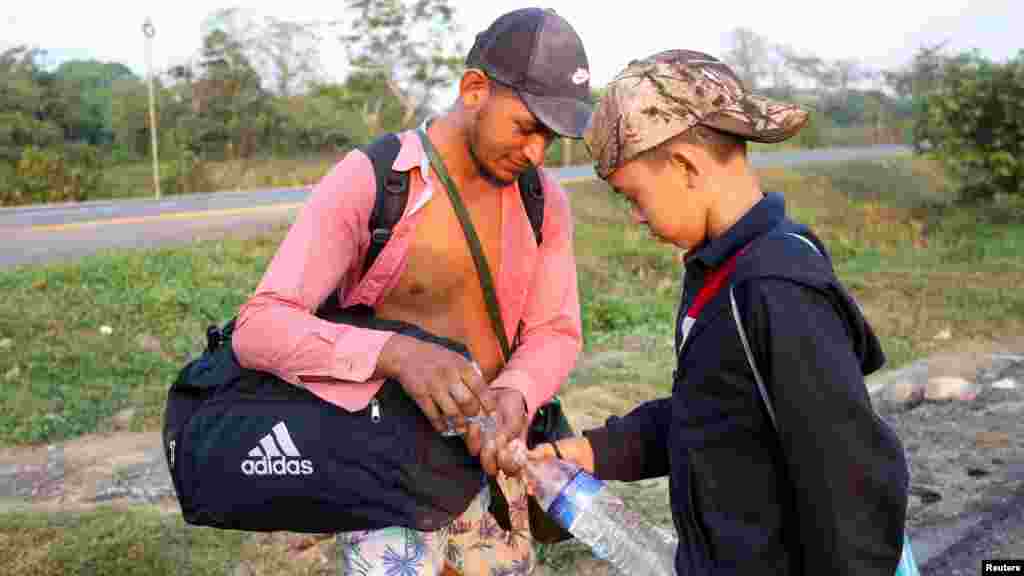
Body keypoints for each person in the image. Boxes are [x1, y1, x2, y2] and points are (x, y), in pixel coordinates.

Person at [231, 7, 590, 576]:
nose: (537, 153)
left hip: (490, 469)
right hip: (387, 475)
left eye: (550, 136)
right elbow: (260, 325)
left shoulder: (542, 200)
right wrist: (397, 355)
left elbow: (555, 329)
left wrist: (517, 393)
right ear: (474, 90)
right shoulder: (376, 180)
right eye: (526, 127)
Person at [528, 50, 910, 575]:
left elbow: (849, 478)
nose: (636, 217)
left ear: (684, 166)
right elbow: (714, 412)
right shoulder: (720, 272)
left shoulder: (773, 286)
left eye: (633, 197)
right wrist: (596, 452)